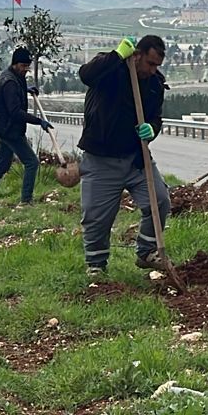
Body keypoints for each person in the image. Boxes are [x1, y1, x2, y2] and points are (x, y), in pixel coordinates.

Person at [76, 36, 171, 280]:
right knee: (96, 216)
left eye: (157, 66)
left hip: (136, 157)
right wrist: (116, 55)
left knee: (159, 200)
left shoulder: (154, 84)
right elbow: (86, 75)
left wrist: (152, 128)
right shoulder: (110, 69)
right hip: (101, 157)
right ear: (136, 55)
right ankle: (96, 264)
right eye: (150, 63)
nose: (153, 70)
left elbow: (156, 117)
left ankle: (147, 251)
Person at [0, 46, 51, 211]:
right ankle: (26, 201)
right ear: (15, 64)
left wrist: (26, 89)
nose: (25, 69)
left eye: (27, 66)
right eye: (23, 66)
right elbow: (16, 112)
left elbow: (16, 90)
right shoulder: (10, 81)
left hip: (2, 127)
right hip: (7, 129)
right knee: (32, 162)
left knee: (1, 165)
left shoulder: (13, 76)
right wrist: (39, 122)